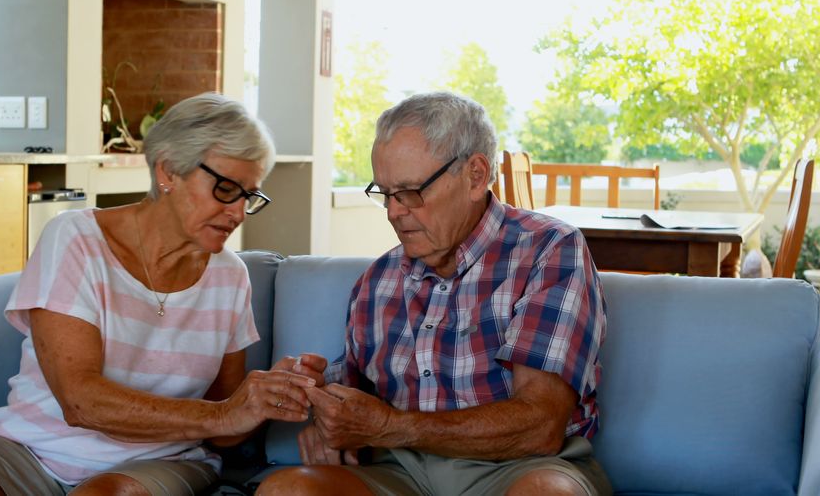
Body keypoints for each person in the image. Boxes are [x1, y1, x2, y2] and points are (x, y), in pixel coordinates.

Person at [0, 93, 326, 496]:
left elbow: (224, 433)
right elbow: (80, 402)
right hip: (32, 448)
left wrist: (265, 397)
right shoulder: (75, 239)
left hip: (160, 462)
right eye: (226, 189)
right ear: (168, 170)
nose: (237, 212)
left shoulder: (231, 277)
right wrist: (225, 415)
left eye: (249, 196)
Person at [258, 91, 611, 495]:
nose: (394, 211)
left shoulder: (549, 250)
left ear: (476, 175)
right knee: (286, 490)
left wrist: (390, 427)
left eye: (410, 192)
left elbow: (540, 426)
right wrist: (315, 401)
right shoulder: (377, 280)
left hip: (520, 467)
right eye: (385, 194)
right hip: (401, 471)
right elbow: (357, 396)